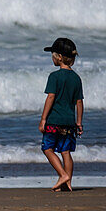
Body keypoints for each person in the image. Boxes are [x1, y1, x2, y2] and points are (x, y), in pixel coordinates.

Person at [39, 37, 84, 191]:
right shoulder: (76, 78)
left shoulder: (54, 76)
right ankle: (67, 182)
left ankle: (63, 175)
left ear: (58, 57)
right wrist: (79, 122)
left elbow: (50, 97)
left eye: (52, 54)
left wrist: (43, 119)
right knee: (66, 151)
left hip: (54, 121)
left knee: (47, 148)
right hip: (70, 122)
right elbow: (79, 102)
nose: (51, 57)